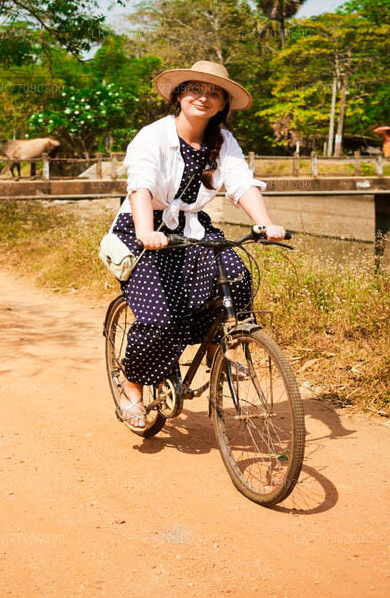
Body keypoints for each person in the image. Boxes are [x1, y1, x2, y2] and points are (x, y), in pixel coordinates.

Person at [107, 60, 285, 429]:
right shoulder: (153, 135)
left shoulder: (223, 142)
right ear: (179, 96)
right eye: (195, 89)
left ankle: (220, 351)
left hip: (192, 230)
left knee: (235, 275)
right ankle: (133, 388)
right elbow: (140, 185)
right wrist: (145, 231)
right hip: (145, 230)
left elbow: (241, 184)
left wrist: (263, 222)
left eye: (214, 93)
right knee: (158, 320)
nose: (203, 98)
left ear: (222, 105)